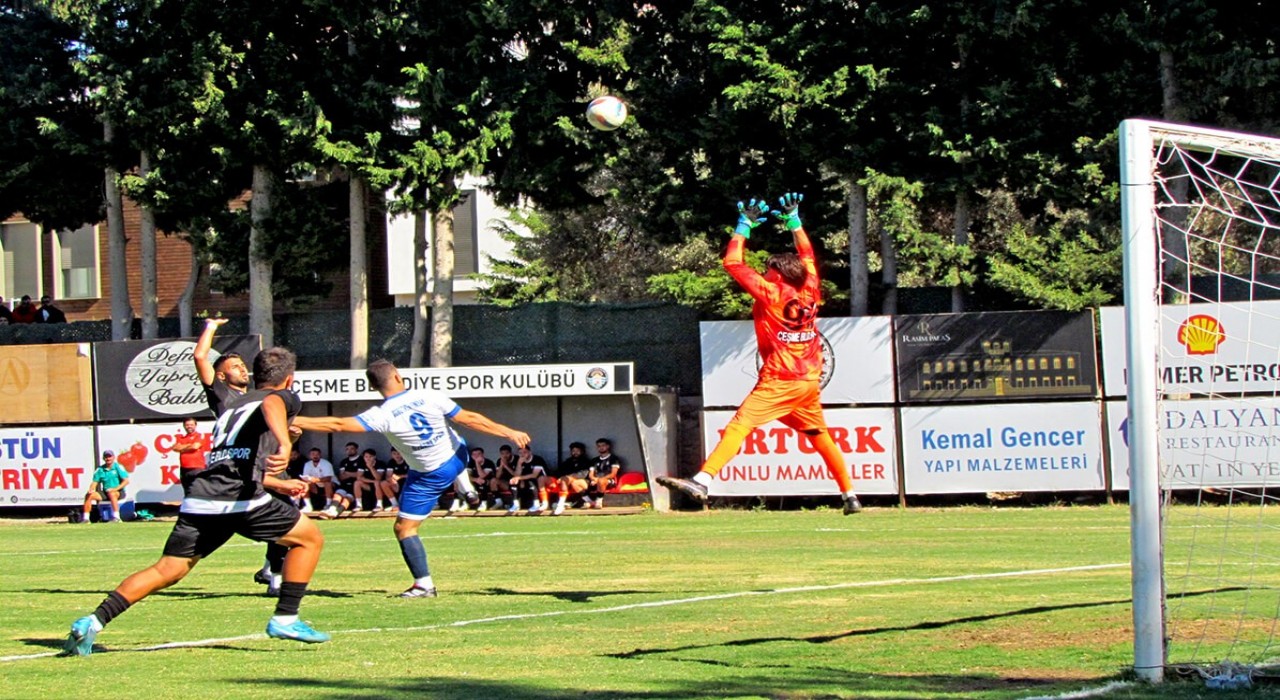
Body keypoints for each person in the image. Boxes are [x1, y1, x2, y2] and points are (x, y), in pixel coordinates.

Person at [61, 347, 331, 656]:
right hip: (236, 499)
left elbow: (238, 458)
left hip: (203, 496)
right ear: (289, 379)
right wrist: (285, 443)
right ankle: (286, 617)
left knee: (167, 570)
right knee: (309, 539)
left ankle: (92, 622)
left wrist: (281, 472)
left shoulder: (234, 404)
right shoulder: (282, 397)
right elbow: (272, 402)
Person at [656, 194, 863, 515]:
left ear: (777, 276)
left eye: (767, 271)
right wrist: (794, 221)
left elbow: (733, 263)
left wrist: (744, 225)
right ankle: (850, 495)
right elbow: (807, 253)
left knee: (739, 425)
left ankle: (702, 480)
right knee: (820, 436)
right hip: (808, 381)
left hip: (781, 379)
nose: (764, 274)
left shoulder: (772, 292)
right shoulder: (811, 288)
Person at [293, 359, 529, 598]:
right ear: (397, 376)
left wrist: (291, 419)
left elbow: (337, 424)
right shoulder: (429, 395)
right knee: (453, 431)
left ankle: (423, 585)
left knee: (404, 529)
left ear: (373, 387)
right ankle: (465, 487)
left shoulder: (381, 415)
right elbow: (468, 418)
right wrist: (509, 431)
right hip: (458, 455)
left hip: (431, 473)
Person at [79, 450, 131, 523]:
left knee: (112, 494)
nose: (108, 459)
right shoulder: (100, 469)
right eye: (106, 457)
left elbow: (126, 481)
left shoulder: (118, 467)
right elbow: (95, 482)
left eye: (110, 456)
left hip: (118, 491)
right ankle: (86, 518)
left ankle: (116, 517)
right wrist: (91, 489)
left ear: (113, 457)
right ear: (103, 458)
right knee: (89, 495)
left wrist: (115, 489)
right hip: (106, 491)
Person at [548, 441, 593, 515]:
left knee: (571, 481)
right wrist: (557, 477)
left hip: (583, 482)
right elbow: (559, 471)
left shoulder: (586, 461)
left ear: (582, 451)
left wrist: (568, 477)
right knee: (558, 480)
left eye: (577, 451)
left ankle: (561, 504)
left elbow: (583, 474)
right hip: (565, 483)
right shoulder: (568, 461)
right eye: (573, 451)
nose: (575, 453)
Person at [508, 445, 550, 514]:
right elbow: (516, 475)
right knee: (513, 481)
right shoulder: (519, 460)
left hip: (541, 481)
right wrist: (519, 464)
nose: (522, 455)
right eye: (520, 453)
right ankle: (515, 504)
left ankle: (536, 503)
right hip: (526, 481)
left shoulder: (537, 459)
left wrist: (519, 478)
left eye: (524, 452)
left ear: (530, 452)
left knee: (531, 481)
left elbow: (534, 475)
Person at [586, 438, 622, 510]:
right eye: (599, 446)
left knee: (601, 481)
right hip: (595, 480)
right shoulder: (594, 460)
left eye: (603, 445)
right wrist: (594, 479)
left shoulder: (614, 459)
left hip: (609, 481)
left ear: (608, 446)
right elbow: (591, 474)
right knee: (578, 483)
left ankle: (599, 501)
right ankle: (588, 501)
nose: (601, 448)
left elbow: (613, 474)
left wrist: (599, 480)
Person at [300, 447, 336, 512]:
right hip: (316, 486)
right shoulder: (307, 464)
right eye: (313, 454)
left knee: (327, 483)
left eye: (317, 454)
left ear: (320, 455)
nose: (315, 456)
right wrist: (310, 480)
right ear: (310, 456)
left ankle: (328, 504)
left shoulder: (326, 464)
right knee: (304, 484)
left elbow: (328, 478)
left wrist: (316, 480)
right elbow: (306, 477)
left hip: (332, 485)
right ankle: (308, 505)